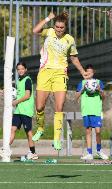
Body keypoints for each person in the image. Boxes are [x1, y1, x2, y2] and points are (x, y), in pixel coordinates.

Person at [31, 11, 88, 150]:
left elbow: (73, 58)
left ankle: (57, 138)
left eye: (61, 27)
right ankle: (40, 128)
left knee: (59, 107)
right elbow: (35, 30)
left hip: (60, 74)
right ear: (54, 26)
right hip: (45, 72)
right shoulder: (49, 32)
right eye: (57, 27)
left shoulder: (70, 39)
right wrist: (47, 18)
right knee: (39, 107)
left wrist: (82, 71)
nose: (59, 30)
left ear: (65, 27)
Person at [0, 62, 37, 160]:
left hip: (26, 110)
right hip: (18, 111)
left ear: (26, 69)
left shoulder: (27, 80)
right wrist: (4, 91)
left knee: (28, 132)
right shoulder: (19, 81)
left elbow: (27, 95)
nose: (20, 71)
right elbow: (15, 92)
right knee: (12, 130)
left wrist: (16, 101)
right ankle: (5, 149)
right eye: (18, 69)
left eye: (22, 69)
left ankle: (33, 152)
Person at [75, 64, 108, 160]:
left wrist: (99, 90)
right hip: (86, 110)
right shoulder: (82, 83)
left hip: (96, 110)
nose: (89, 74)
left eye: (90, 72)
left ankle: (99, 151)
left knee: (98, 131)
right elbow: (76, 97)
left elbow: (104, 97)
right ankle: (89, 153)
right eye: (87, 72)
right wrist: (82, 89)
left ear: (93, 73)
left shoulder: (98, 82)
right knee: (88, 131)